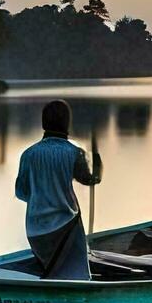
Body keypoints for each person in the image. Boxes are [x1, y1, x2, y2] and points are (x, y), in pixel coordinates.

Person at [15, 99, 102, 279]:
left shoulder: (28, 155)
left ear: (43, 123)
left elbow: (21, 193)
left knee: (52, 268)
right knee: (78, 276)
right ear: (66, 123)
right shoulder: (75, 153)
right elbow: (91, 179)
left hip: (35, 231)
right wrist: (97, 159)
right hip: (66, 228)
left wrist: (42, 197)